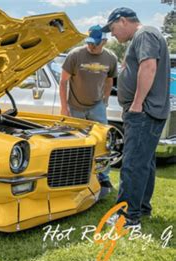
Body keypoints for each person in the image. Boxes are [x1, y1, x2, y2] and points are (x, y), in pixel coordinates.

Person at [102, 7, 170, 228]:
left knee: (132, 163)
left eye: (112, 29)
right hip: (149, 111)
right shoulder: (144, 36)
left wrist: (137, 103)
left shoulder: (145, 34)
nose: (112, 35)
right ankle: (141, 207)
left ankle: (127, 216)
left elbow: (149, 67)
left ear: (122, 21)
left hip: (144, 111)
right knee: (145, 163)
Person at [59, 24, 118, 198]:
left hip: (97, 107)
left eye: (96, 43)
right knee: (76, 144)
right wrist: (64, 107)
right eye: (90, 42)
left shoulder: (110, 58)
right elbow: (63, 82)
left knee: (102, 142)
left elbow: (109, 80)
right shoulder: (75, 55)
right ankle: (75, 177)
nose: (92, 46)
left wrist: (105, 100)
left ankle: (103, 177)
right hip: (75, 106)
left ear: (105, 42)